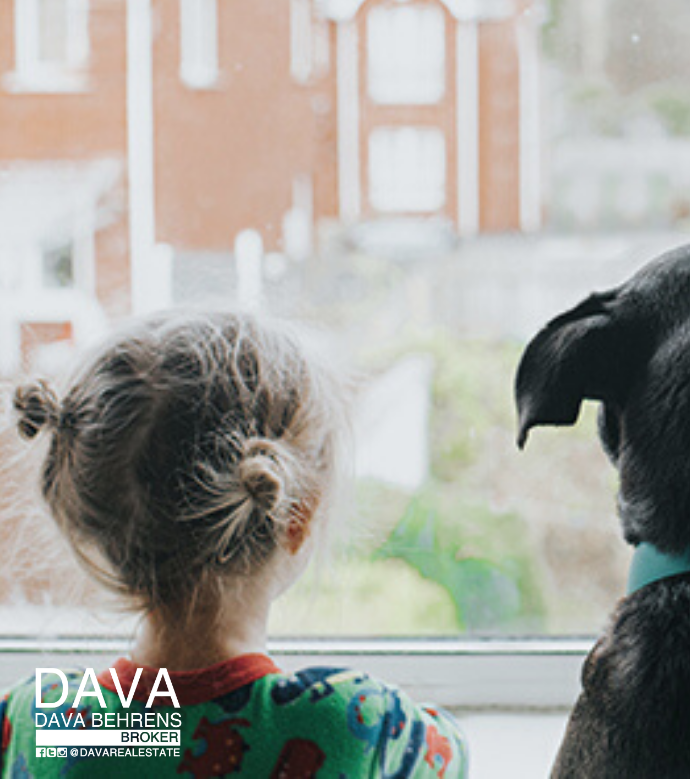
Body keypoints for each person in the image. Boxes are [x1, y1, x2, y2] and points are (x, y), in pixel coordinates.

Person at [0, 311, 467, 777]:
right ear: (296, 516)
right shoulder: (356, 725)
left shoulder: (37, 723)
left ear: (88, 514)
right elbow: (454, 754)